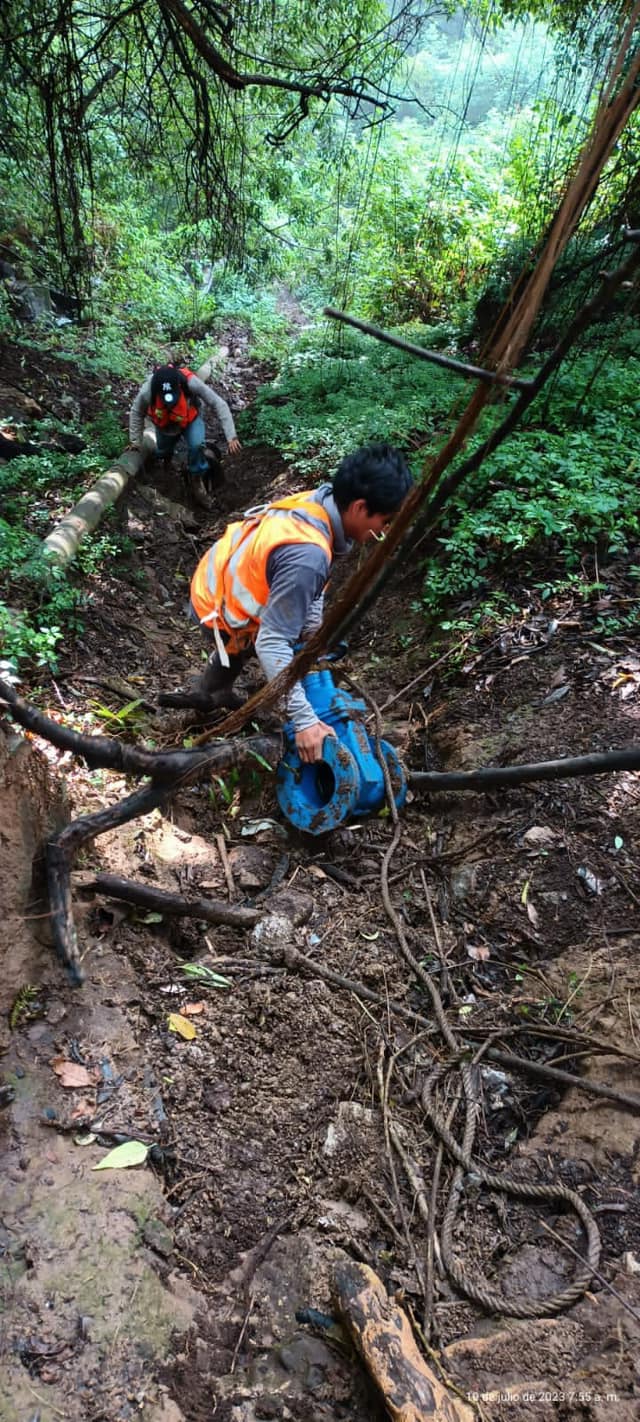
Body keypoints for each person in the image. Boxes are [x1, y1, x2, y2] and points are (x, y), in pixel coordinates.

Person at [159, 443, 413, 762]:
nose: (382, 530)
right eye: (385, 522)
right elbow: (272, 640)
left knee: (271, 648)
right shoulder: (308, 555)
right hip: (217, 604)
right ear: (361, 508)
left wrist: (312, 633)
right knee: (250, 647)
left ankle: (214, 693)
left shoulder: (320, 503)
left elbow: (315, 586)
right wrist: (304, 721)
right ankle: (209, 701)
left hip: (223, 574)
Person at [128, 362, 241, 507]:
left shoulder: (190, 382)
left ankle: (196, 478)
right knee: (163, 449)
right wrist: (135, 441)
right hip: (164, 424)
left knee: (196, 445)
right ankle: (166, 463)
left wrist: (231, 436)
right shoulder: (147, 391)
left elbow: (218, 403)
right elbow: (136, 412)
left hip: (190, 419)